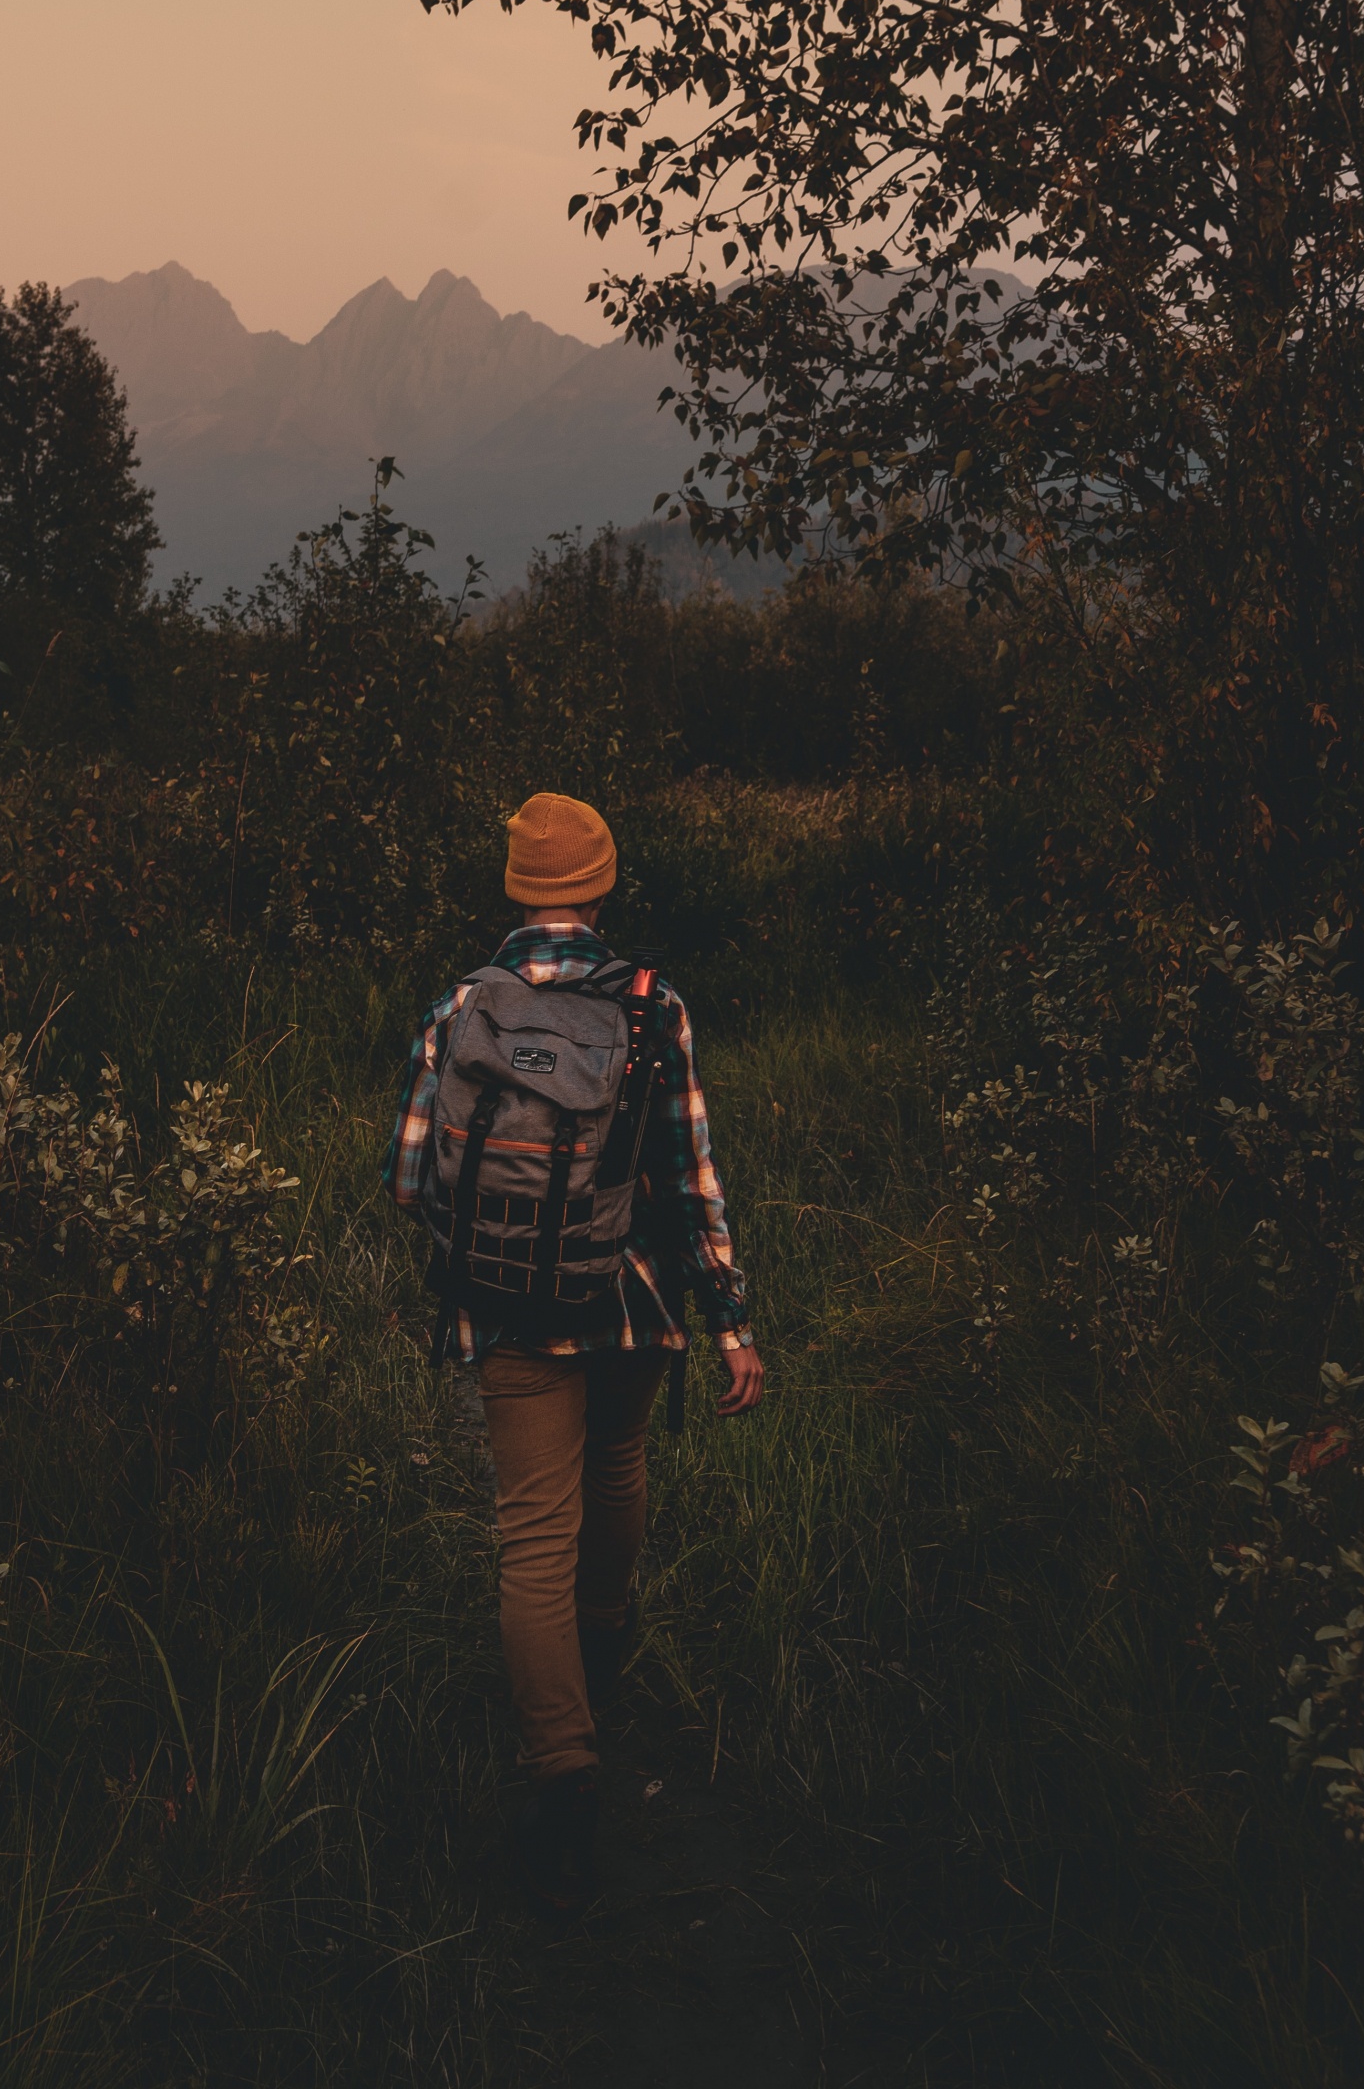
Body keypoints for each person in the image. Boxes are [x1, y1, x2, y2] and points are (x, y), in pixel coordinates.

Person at [385, 788, 762, 1911]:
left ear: (517, 888)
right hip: (635, 1303)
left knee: (533, 1531)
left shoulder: (463, 1004)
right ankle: (603, 1667)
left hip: (506, 1312)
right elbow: (694, 1176)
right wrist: (731, 1315)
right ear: (598, 883)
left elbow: (413, 1177)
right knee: (619, 1468)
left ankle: (563, 1774)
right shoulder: (655, 1005)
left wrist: (493, 1248)